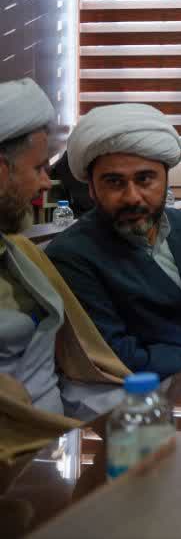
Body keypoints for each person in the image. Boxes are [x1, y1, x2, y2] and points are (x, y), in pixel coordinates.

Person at [47, 104, 181, 379]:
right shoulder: (71, 255)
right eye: (114, 182)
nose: (132, 197)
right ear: (91, 188)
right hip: (150, 391)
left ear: (166, 180)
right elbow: (119, 355)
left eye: (145, 179)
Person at [0, 80, 129, 464]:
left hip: (57, 453)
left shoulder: (23, 254)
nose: (46, 182)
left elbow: (71, 372)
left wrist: (133, 420)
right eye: (39, 168)